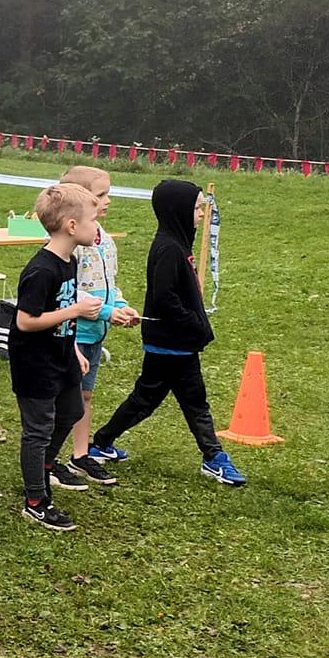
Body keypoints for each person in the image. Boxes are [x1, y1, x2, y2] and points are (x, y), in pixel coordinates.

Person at [89, 179, 247, 487]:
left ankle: (102, 442)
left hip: (175, 342)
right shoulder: (168, 249)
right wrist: (195, 323)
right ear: (178, 210)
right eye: (197, 208)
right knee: (191, 402)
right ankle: (214, 457)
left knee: (146, 399)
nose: (201, 213)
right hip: (171, 342)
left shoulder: (177, 244)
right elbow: (164, 299)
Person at [9, 183, 108, 532]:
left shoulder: (71, 260)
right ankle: (36, 501)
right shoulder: (42, 270)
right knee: (38, 430)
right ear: (71, 226)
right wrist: (76, 312)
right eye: (92, 220)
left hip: (62, 355)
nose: (97, 226)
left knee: (72, 411)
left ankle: (42, 469)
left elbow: (62, 308)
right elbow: (25, 321)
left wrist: (75, 349)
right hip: (35, 362)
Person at [55, 165, 139, 485]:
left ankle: (80, 455)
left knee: (84, 396)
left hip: (94, 334)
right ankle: (48, 459)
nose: (108, 200)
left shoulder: (105, 241)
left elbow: (108, 284)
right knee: (64, 399)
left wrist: (120, 306)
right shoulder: (71, 243)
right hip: (71, 333)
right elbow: (67, 292)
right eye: (101, 195)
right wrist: (106, 312)